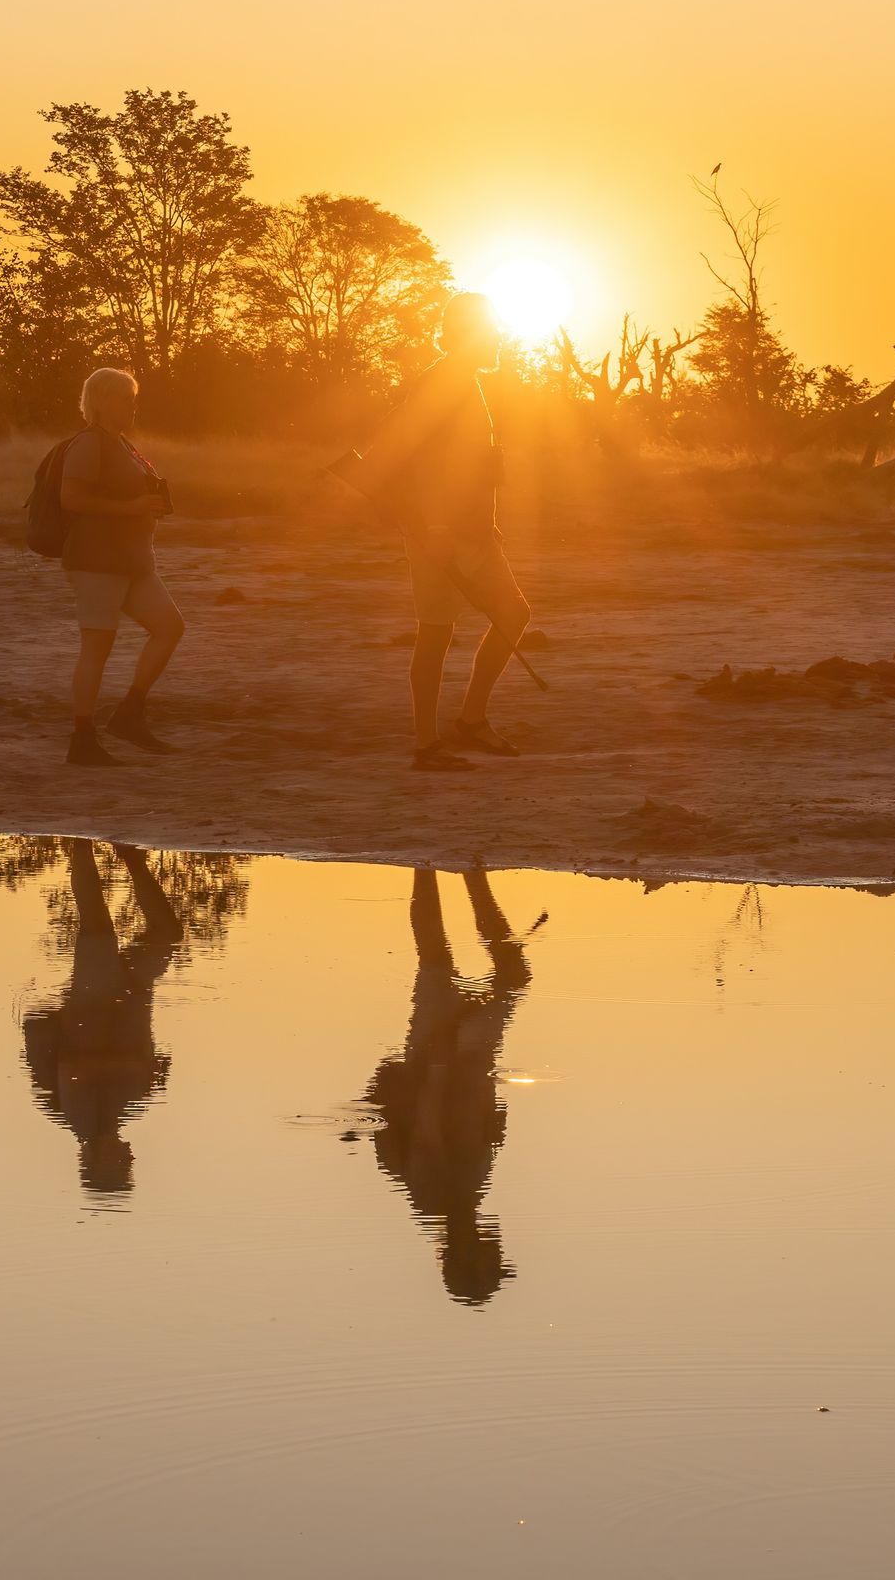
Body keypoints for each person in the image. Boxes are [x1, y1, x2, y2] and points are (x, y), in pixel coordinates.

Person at [353, 292, 534, 770]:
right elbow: (422, 459)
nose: (498, 338)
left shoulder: (465, 381)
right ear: (467, 335)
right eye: (491, 330)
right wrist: (433, 525)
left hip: (473, 532)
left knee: (513, 614)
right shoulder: (443, 383)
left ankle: (472, 719)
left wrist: (485, 523)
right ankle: (426, 744)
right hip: (440, 532)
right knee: (435, 633)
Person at [361, 867, 533, 1304]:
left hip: (442, 1059)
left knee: (440, 960)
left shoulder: (435, 1198)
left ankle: (430, 866)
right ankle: (464, 875)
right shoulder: (459, 1203)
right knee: (501, 974)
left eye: (492, 1263)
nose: (499, 1254)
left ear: (469, 1257)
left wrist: (438, 1063)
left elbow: (428, 1130)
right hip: (466, 1061)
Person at [19, 838, 186, 1196]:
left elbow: (74, 1064)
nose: (130, 1158)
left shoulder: (78, 1117)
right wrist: (150, 1069)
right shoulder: (118, 1116)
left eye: (121, 1165)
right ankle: (130, 857)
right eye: (128, 1165)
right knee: (167, 934)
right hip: (131, 994)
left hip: (95, 1001)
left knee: (97, 925)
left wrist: (137, 1068)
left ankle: (81, 846)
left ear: (93, 1162)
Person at [56, 366, 184, 766]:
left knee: (169, 627)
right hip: (97, 562)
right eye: (125, 398)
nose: (133, 406)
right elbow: (71, 498)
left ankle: (129, 713)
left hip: (133, 563)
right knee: (97, 646)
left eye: (133, 398)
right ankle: (82, 738)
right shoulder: (88, 444)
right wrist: (129, 508)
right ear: (103, 401)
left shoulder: (123, 444)